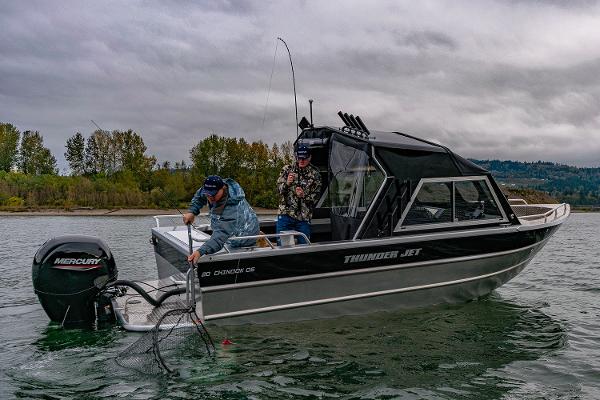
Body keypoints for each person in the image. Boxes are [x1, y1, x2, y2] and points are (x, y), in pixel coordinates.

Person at [183, 175, 259, 263]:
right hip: (229, 231)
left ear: (222, 188)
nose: (210, 198)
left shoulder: (232, 209)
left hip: (245, 236)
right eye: (207, 195)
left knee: (233, 243)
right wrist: (192, 212)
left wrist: (200, 252)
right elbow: (199, 197)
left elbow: (221, 235)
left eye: (213, 195)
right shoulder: (210, 189)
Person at [276, 145, 322, 244]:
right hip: (285, 215)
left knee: (304, 248)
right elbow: (278, 191)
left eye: (304, 158)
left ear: (309, 157)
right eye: (299, 158)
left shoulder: (315, 174)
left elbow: (315, 199)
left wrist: (303, 195)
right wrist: (287, 183)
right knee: (283, 248)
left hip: (303, 218)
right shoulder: (287, 169)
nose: (301, 160)